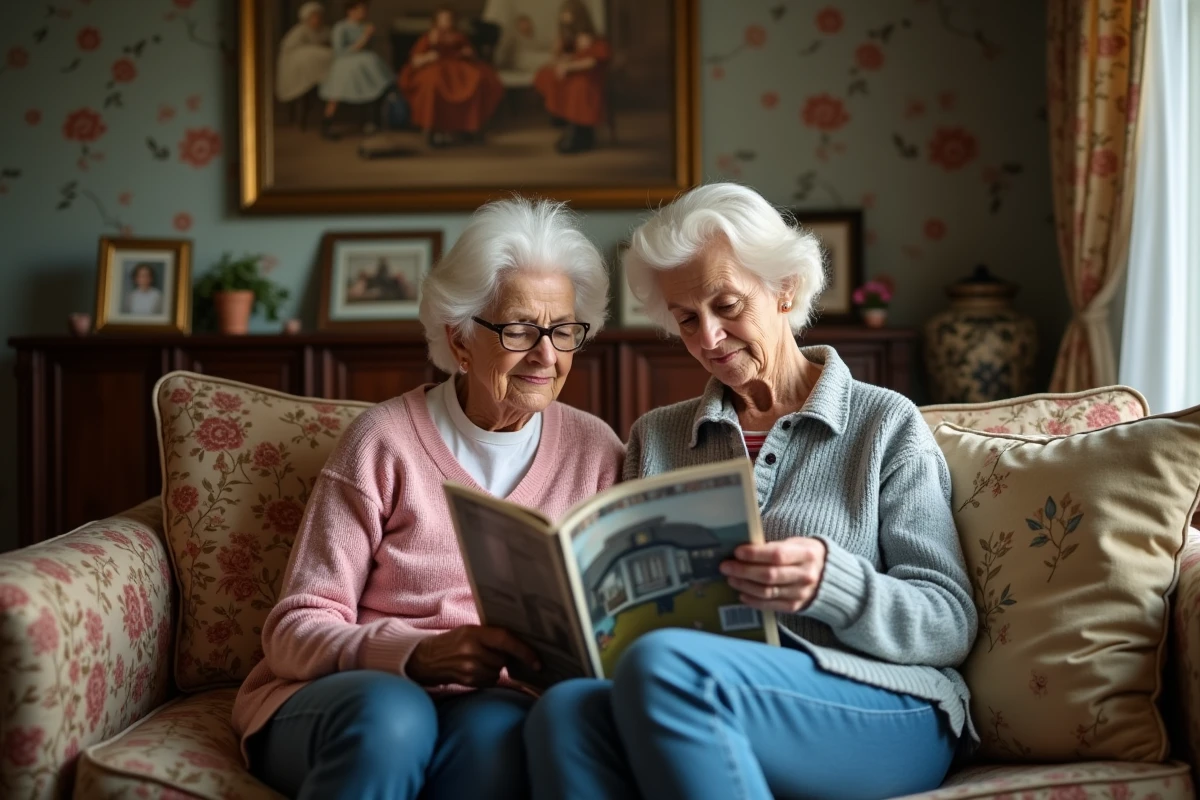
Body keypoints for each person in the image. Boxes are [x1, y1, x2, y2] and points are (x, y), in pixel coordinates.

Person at [525, 183, 979, 800]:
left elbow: (950, 621)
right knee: (566, 711)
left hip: (884, 703)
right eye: (687, 318)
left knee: (668, 669)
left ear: (785, 288)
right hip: (707, 693)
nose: (709, 337)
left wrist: (833, 586)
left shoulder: (884, 424)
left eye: (728, 304)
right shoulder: (658, 439)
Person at [231, 197, 624, 800]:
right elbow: (293, 629)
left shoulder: (596, 450)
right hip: (357, 697)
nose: (547, 355)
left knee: (502, 742)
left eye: (565, 330)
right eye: (521, 329)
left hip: (493, 700)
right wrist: (414, 657)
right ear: (460, 341)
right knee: (395, 720)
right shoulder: (382, 441)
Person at [398, 6, 505, 147]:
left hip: (459, 68)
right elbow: (416, 59)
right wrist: (429, 55)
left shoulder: (459, 36)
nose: (446, 22)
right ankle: (431, 127)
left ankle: (469, 127)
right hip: (437, 68)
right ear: (436, 21)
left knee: (476, 79)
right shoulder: (429, 37)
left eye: (449, 18)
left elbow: (471, 53)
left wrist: (467, 53)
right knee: (433, 82)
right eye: (443, 19)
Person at [534, 0, 610, 154]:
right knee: (548, 76)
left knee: (578, 87)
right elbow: (564, 57)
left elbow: (591, 62)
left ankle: (580, 129)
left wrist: (568, 66)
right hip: (575, 72)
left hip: (589, 77)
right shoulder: (570, 38)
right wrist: (560, 53)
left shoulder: (592, 38)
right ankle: (565, 119)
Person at [319, 0, 393, 139]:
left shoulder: (365, 26)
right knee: (337, 91)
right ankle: (327, 123)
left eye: (365, 10)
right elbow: (340, 51)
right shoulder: (341, 27)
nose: (363, 13)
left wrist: (368, 36)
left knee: (374, 79)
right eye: (359, 9)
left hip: (363, 63)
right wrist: (364, 37)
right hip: (345, 62)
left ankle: (371, 121)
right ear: (350, 11)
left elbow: (368, 49)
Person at [275, 2, 333, 105]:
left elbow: (330, 43)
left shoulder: (325, 31)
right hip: (296, 62)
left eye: (318, 17)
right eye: (313, 17)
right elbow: (288, 47)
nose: (316, 20)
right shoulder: (299, 31)